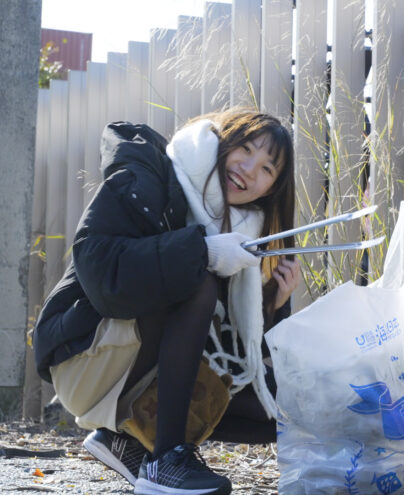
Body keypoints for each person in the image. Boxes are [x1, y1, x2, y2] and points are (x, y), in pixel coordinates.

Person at [33, 108, 301, 495]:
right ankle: (167, 459)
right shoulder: (149, 173)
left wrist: (273, 305)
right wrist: (201, 253)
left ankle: (129, 441)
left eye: (267, 169)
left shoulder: (240, 228)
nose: (249, 169)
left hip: (137, 371)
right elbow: (100, 269)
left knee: (284, 408)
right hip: (86, 361)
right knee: (197, 282)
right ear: (220, 139)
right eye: (245, 148)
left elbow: (224, 353)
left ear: (271, 189)